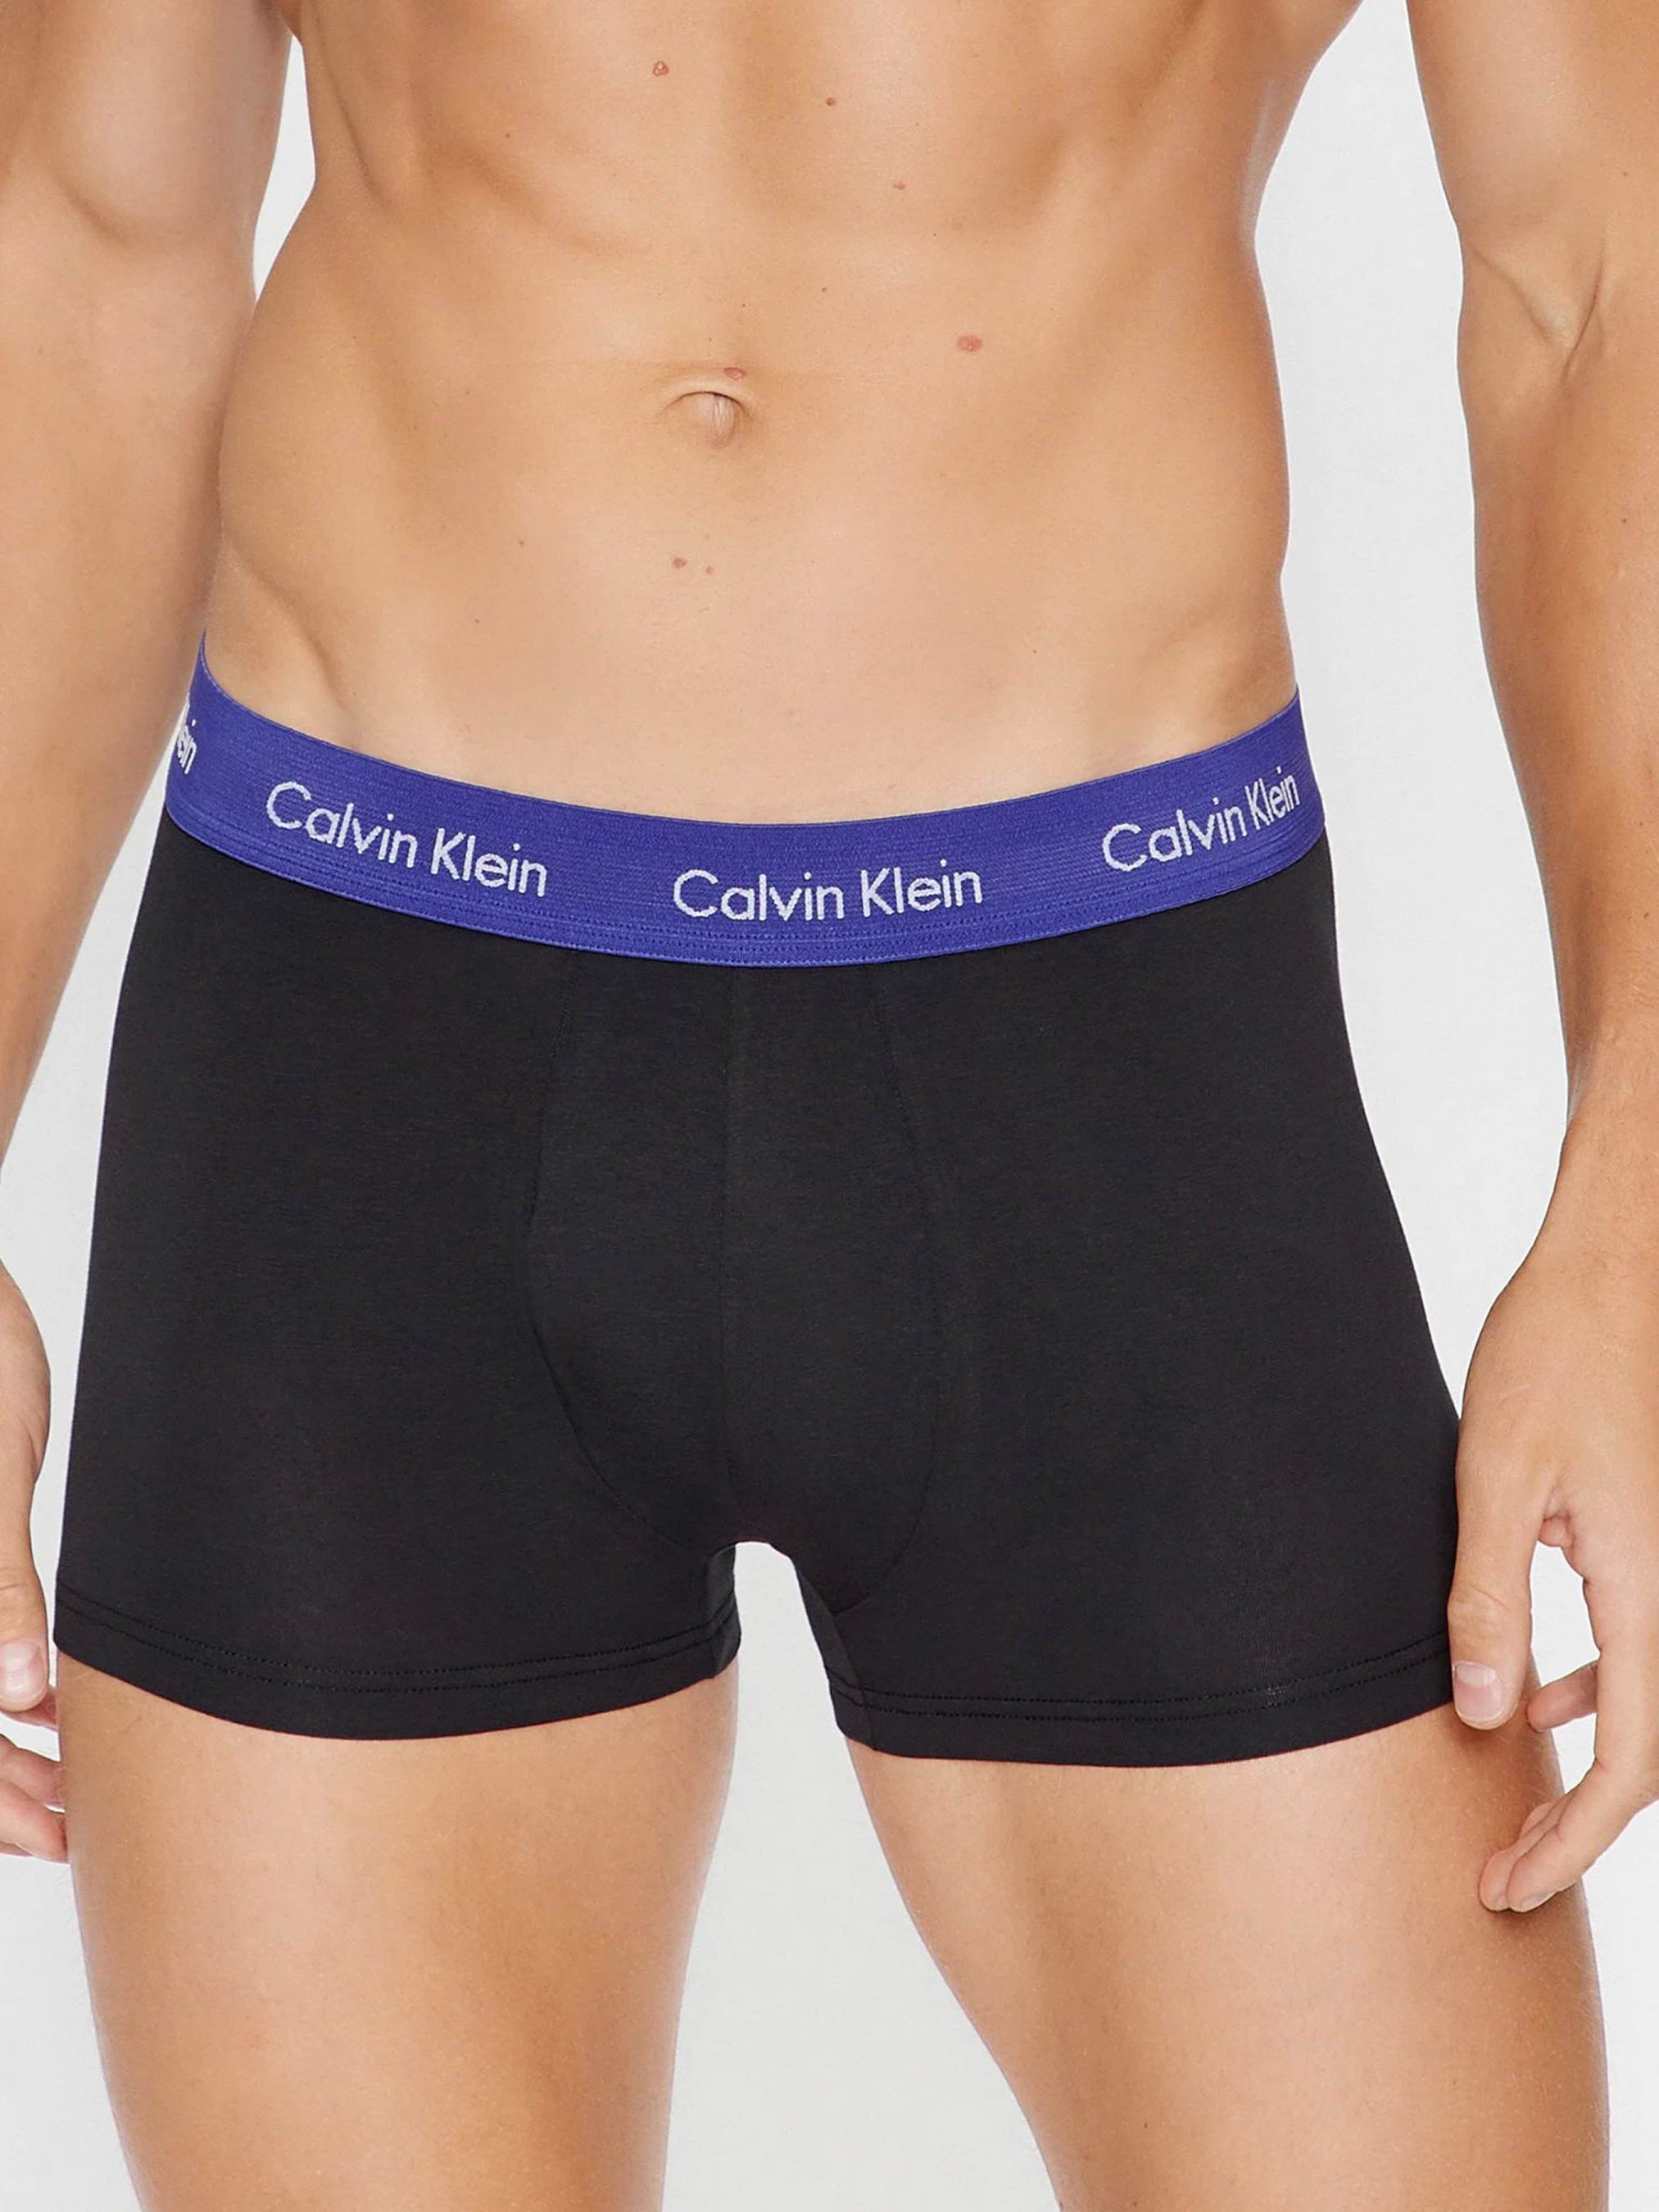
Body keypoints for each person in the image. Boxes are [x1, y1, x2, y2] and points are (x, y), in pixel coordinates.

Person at [0, 0, 1648, 2202]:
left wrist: (1636, 1217)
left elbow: (1598, 282)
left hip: (1108, 1085)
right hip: (358, 1074)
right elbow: (90, 246)